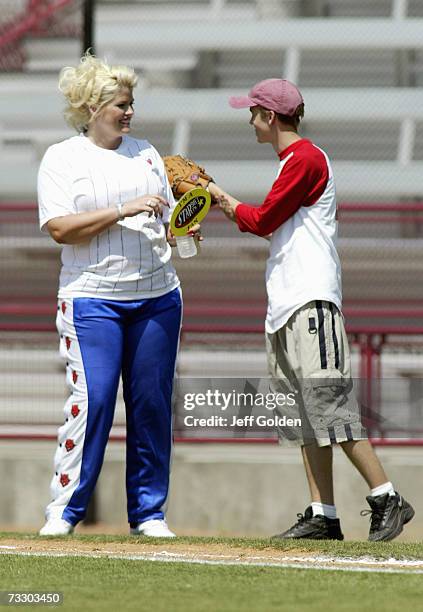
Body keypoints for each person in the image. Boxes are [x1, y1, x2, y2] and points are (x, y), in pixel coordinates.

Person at [208, 78, 414, 541]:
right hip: (288, 305)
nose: (250, 119)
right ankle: (324, 514)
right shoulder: (292, 161)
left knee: (330, 408)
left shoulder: (305, 159)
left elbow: (261, 221)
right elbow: (268, 225)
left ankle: (387, 497)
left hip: (311, 303)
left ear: (272, 117)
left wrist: (218, 196)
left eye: (254, 112)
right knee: (303, 415)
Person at [37, 52, 199, 538]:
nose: (129, 113)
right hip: (92, 300)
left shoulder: (147, 153)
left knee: (151, 404)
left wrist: (183, 230)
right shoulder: (63, 158)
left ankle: (149, 514)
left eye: (132, 104)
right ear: (91, 107)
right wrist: (122, 209)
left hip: (157, 295)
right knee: (95, 399)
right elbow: (61, 229)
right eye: (121, 105)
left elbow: (169, 221)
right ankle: (64, 511)